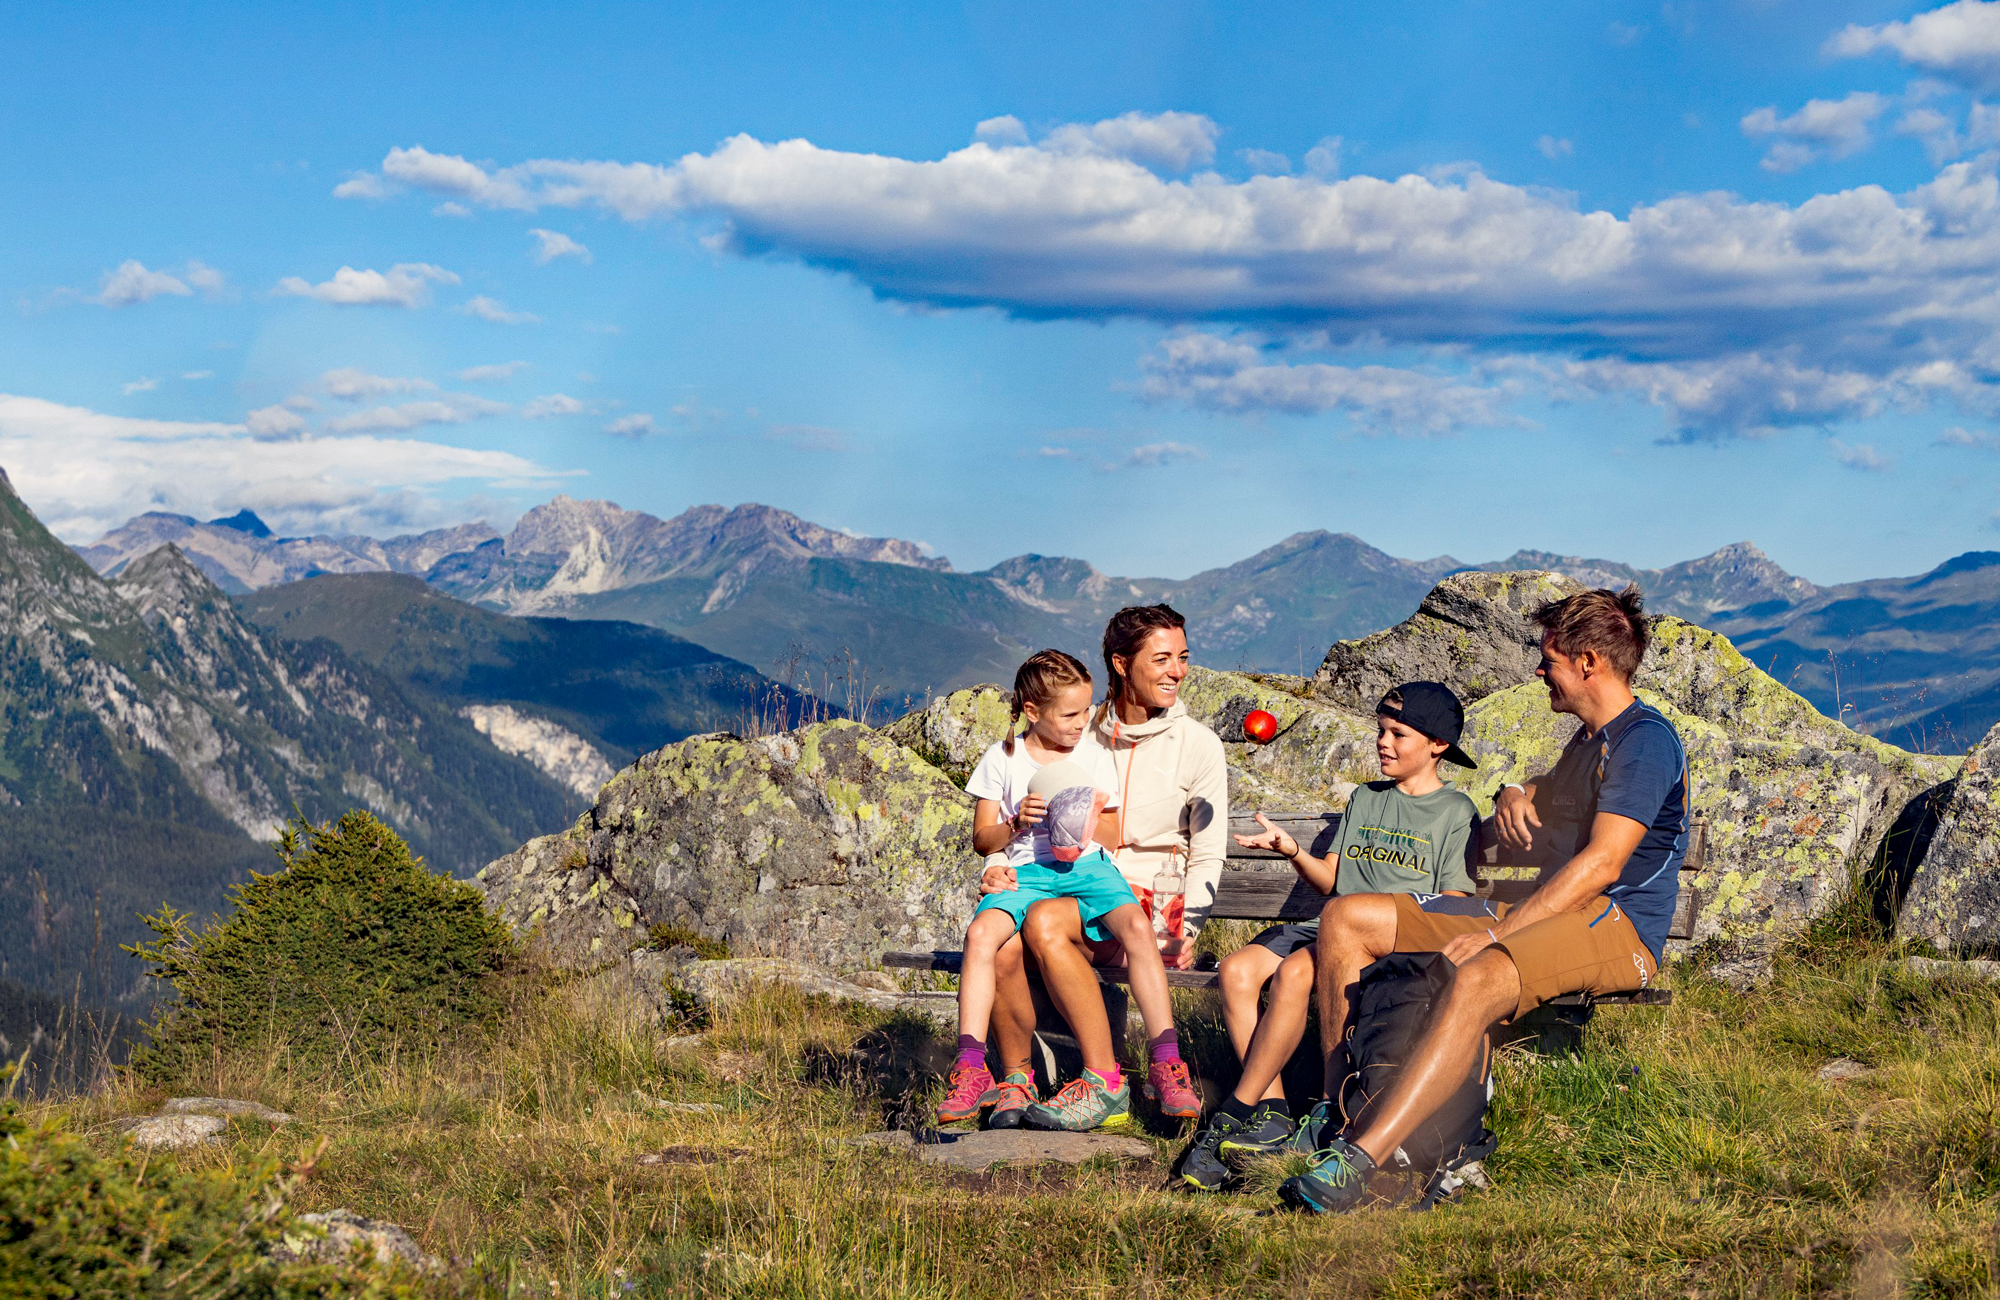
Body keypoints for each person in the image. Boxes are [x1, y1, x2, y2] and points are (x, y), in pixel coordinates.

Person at [1280, 585, 1689, 1213]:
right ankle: (1339, 1114)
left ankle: (1363, 1158)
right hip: (1544, 911)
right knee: (1346, 917)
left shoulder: (1644, 742)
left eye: (1548, 658)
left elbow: (1603, 863)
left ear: (1589, 662)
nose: (1538, 670)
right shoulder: (1589, 739)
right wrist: (1513, 790)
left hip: (1616, 926)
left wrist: (1501, 934)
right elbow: (1547, 792)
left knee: (1477, 975)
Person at [1176, 681, 1482, 1191]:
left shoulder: (1455, 812)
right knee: (1236, 969)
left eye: (1398, 734)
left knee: (1297, 971)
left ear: (1438, 745)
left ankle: (1247, 1113)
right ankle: (1271, 1113)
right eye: (1381, 731)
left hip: (1383, 942)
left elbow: (1451, 902)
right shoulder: (1367, 798)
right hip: (1326, 927)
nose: (1383, 742)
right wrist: (1293, 849)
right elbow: (1333, 882)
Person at [982, 605, 1226, 1132]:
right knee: (1002, 940)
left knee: (1044, 922)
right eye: (1161, 659)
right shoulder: (1078, 735)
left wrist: (1193, 925)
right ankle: (1015, 1080)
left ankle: (1103, 1081)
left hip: (1152, 904)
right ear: (1120, 663)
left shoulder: (1199, 745)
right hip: (1076, 889)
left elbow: (1208, 849)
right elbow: (1017, 810)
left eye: (1182, 658)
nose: (1176, 671)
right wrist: (999, 861)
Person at [936, 649, 1188, 1129]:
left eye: (1087, 710)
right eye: (1069, 714)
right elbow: (982, 838)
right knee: (981, 936)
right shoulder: (1003, 758)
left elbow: (1111, 835)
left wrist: (1080, 819)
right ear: (1033, 711)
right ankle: (970, 1067)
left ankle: (1167, 1060)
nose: (1082, 723)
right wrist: (1014, 825)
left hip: (1087, 868)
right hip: (1024, 872)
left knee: (1137, 924)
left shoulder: (1094, 755)